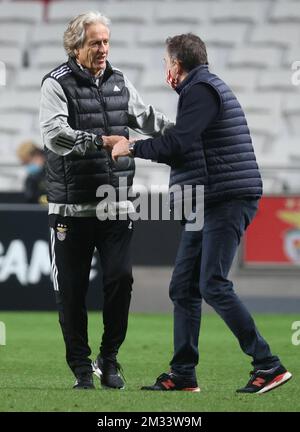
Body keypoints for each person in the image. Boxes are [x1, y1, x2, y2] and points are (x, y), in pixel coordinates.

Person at [105, 33, 292, 394]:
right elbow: (187, 146)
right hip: (205, 200)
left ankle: (268, 364)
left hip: (225, 198)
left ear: (176, 65)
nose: (165, 70)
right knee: (184, 287)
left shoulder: (201, 90)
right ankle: (183, 374)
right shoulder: (203, 89)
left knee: (212, 283)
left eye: (165, 63)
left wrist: (132, 147)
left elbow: (178, 145)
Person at [39, 11, 171, 390]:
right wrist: (99, 141)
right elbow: (54, 135)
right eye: (95, 42)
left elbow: (148, 119)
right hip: (71, 209)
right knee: (73, 291)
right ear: (76, 46)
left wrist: (187, 135)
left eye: (106, 41)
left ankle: (109, 358)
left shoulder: (120, 82)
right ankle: (81, 368)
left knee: (120, 278)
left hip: (116, 203)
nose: (103, 49)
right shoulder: (55, 84)